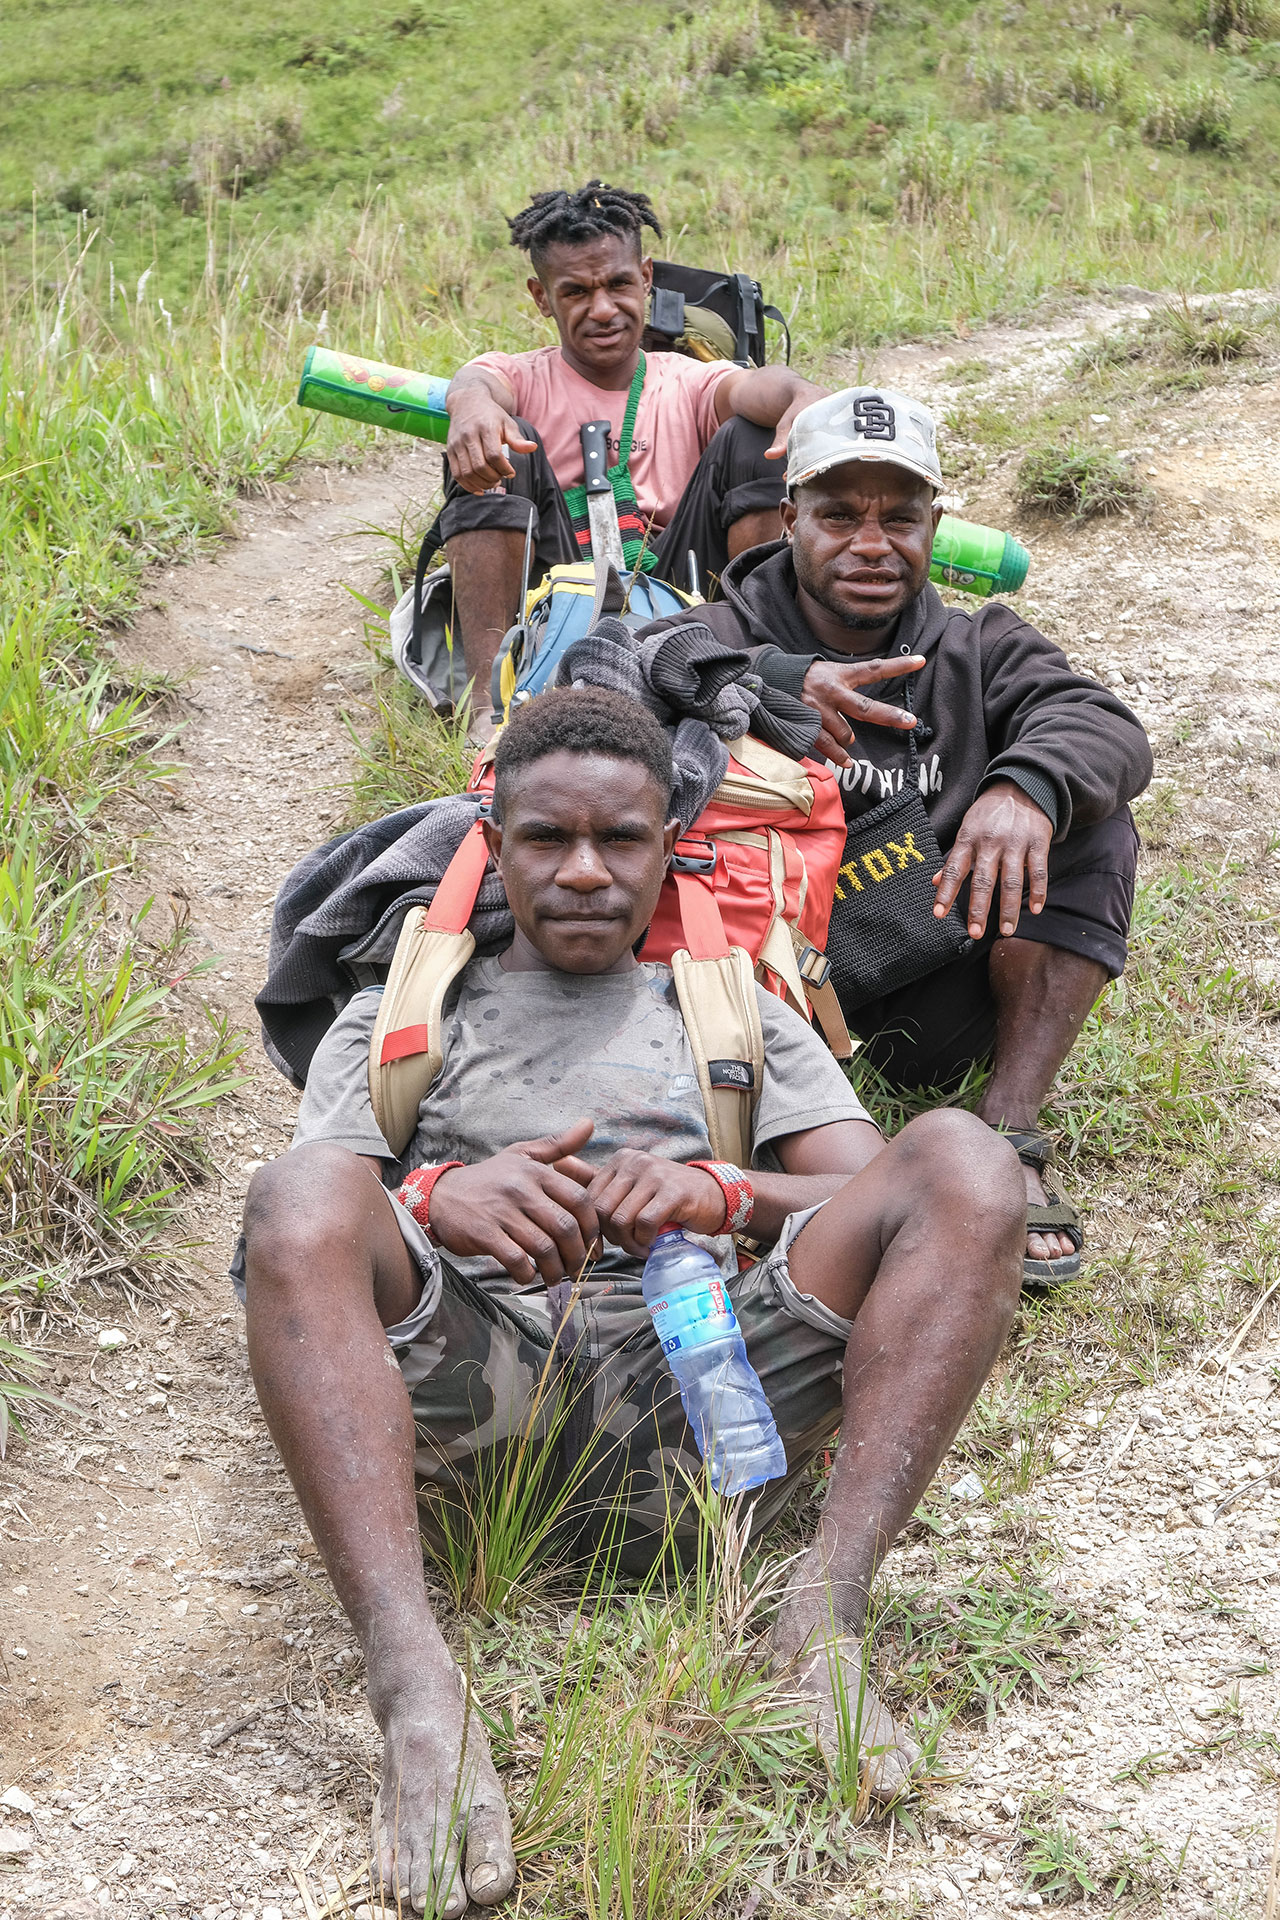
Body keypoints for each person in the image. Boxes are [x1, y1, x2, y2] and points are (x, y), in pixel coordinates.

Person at [238, 686, 1025, 1916]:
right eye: (547, 839)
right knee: (295, 1195)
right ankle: (415, 1689)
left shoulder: (730, 1011)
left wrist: (719, 1192)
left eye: (622, 840)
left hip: (716, 1393)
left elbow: (872, 1198)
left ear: (671, 846)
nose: (586, 872)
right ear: (492, 847)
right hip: (477, 1388)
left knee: (969, 1162)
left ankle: (819, 1620)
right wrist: (436, 1193)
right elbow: (317, 1225)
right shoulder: (399, 1017)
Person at [638, 388, 1154, 1286]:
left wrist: (1024, 789)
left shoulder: (980, 641)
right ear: (789, 518)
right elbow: (598, 673)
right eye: (839, 515)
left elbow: (1104, 726)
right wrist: (774, 680)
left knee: (1095, 825)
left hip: (931, 990)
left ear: (934, 527)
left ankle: (1008, 1137)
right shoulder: (716, 633)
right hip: (765, 1014)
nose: (872, 544)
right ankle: (796, 1158)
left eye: (900, 518)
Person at [435, 181, 826, 707]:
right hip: (554, 586)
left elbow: (756, 388)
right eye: (576, 291)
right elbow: (476, 383)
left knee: (756, 436)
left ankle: (760, 664)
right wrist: (471, 406)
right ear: (540, 297)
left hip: (680, 581)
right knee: (496, 442)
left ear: (646, 280)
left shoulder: (686, 379)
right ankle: (489, 705)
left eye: (618, 284)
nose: (602, 309)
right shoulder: (523, 376)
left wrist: (801, 394)